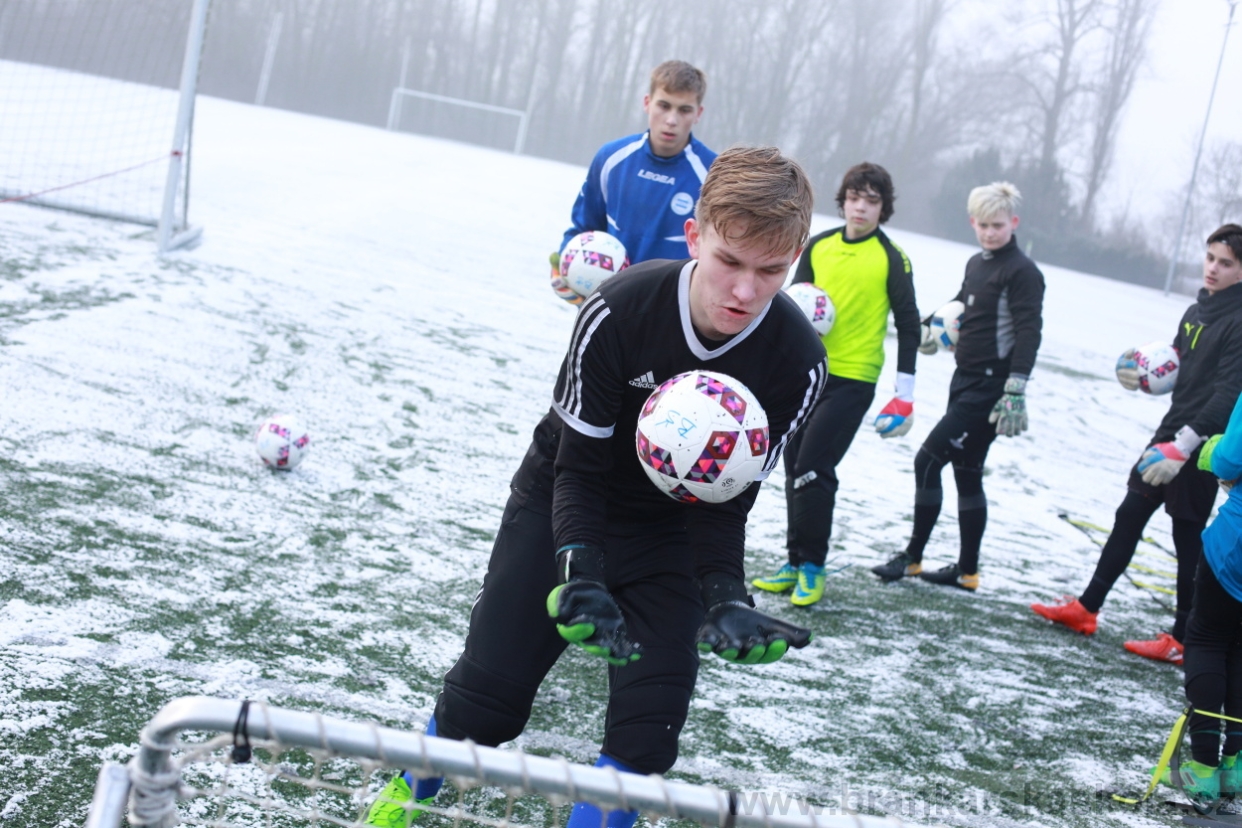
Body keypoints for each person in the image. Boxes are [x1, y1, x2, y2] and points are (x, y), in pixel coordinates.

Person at [366, 147, 827, 828]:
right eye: (730, 261)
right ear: (696, 236)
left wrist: (725, 593)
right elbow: (576, 468)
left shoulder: (797, 361)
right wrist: (579, 569)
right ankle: (401, 800)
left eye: (771, 271)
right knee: (484, 709)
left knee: (647, 734)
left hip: (668, 533)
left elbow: (726, 502)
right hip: (562, 502)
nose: (746, 292)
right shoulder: (620, 310)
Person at [1031, 224, 1242, 663]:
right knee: (1129, 514)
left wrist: (1183, 448)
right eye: (1210, 258)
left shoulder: (1239, 320)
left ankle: (1184, 638)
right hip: (1170, 430)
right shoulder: (1194, 310)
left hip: (1200, 443)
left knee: (1187, 537)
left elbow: (1226, 394)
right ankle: (1087, 609)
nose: (1214, 269)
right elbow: (1181, 367)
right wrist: (1146, 368)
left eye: (1226, 263)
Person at [751, 162, 920, 607]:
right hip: (808, 373)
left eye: (871, 200)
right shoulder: (819, 246)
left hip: (854, 379)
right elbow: (794, 307)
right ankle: (793, 561)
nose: (860, 207)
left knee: (814, 467)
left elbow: (908, 323)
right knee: (791, 467)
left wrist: (905, 395)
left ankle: (813, 567)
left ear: (883, 208)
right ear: (843, 200)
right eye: (854, 197)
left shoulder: (892, 257)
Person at [871, 182, 1044, 591]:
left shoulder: (1023, 272)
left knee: (927, 461)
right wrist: (931, 325)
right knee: (967, 472)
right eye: (982, 225)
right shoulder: (976, 263)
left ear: (1013, 222)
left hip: (991, 389)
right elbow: (960, 303)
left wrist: (1015, 388)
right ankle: (967, 571)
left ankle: (912, 557)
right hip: (962, 380)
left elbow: (1029, 332)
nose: (989, 232)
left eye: (997, 225)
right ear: (972, 223)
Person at [549, 61, 717, 303]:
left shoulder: (714, 175)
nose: (671, 119)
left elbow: (720, 254)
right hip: (607, 303)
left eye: (684, 110)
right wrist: (567, 269)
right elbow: (583, 228)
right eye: (664, 105)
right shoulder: (611, 158)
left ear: (698, 113)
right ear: (647, 103)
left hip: (673, 312)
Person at [1162, 392, 1242, 804]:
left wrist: (1211, 451)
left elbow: (1229, 459)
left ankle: (1205, 768)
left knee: (1209, 638)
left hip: (1236, 548)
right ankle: (1237, 764)